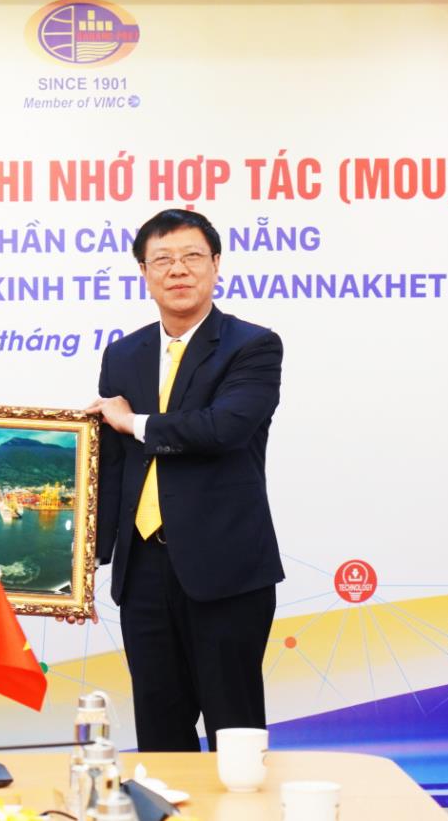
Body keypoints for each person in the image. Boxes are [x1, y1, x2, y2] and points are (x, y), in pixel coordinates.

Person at [85, 209, 284, 752]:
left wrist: (134, 422)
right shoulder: (123, 354)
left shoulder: (253, 346)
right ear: (144, 273)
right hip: (143, 572)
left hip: (225, 570)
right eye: (163, 260)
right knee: (159, 735)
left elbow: (223, 428)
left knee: (234, 732)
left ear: (216, 265)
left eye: (193, 256)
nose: (178, 270)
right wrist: (84, 562)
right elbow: (114, 463)